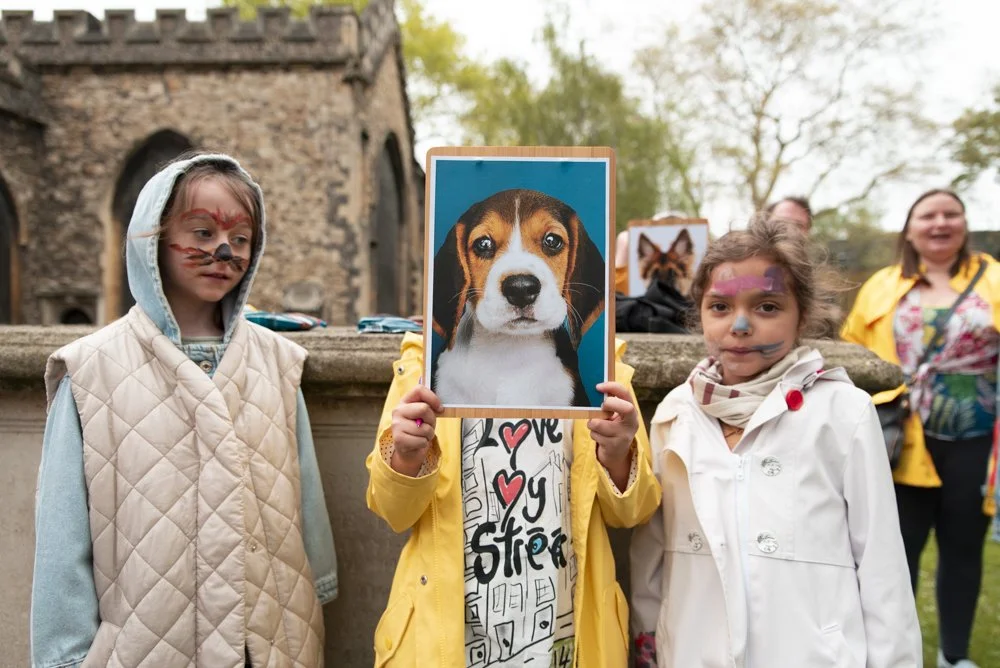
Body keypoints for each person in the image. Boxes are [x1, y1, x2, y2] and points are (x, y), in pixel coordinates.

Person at [31, 153, 338, 668]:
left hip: (268, 640)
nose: (223, 250)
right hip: (145, 643)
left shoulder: (280, 363)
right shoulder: (90, 372)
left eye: (240, 239)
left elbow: (303, 493)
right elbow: (62, 540)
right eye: (201, 232)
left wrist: (318, 580)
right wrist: (63, 654)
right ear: (152, 240)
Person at [630, 217, 921, 667]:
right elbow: (652, 550)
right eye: (720, 307)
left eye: (767, 307)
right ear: (699, 314)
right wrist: (649, 643)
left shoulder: (843, 413)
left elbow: (882, 566)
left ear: (802, 314)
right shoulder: (675, 413)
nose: (740, 325)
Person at [366, 334, 660, 666]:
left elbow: (634, 511)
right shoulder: (426, 365)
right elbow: (394, 511)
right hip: (447, 642)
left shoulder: (599, 367)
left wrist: (618, 454)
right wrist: (406, 455)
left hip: (568, 638)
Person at [841, 188, 1000, 668]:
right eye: (927, 215)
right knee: (895, 553)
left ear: (965, 224)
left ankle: (954, 655)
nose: (940, 223)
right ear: (909, 228)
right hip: (899, 439)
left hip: (975, 438)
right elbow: (853, 356)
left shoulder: (994, 278)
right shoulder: (881, 285)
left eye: (951, 214)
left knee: (963, 548)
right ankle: (894, 655)